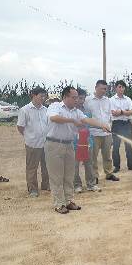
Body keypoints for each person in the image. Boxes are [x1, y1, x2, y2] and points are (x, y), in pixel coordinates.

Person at [45, 86, 110, 214]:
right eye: (73, 97)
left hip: (69, 145)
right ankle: (59, 204)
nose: (76, 100)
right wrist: (73, 121)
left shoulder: (77, 111)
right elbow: (54, 118)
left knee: (69, 175)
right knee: (56, 177)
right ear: (65, 97)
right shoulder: (55, 106)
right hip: (54, 144)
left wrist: (102, 125)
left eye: (77, 97)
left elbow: (87, 120)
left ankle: (69, 201)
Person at [17, 87, 50, 197]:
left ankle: (46, 185)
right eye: (41, 96)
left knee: (47, 166)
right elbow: (20, 126)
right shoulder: (25, 110)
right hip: (32, 144)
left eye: (44, 96)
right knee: (32, 167)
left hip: (45, 143)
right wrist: (29, 136)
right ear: (34, 95)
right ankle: (33, 189)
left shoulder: (45, 110)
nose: (43, 98)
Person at [84, 80, 119, 183]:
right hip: (93, 133)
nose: (104, 91)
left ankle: (109, 173)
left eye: (105, 89)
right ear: (96, 88)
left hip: (107, 133)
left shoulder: (107, 100)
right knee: (93, 157)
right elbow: (86, 117)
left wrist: (109, 127)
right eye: (102, 89)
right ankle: (94, 176)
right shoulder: (88, 100)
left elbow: (109, 115)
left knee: (107, 155)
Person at [73, 88, 100, 193]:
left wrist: (101, 126)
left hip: (87, 141)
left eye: (83, 98)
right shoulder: (70, 111)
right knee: (75, 165)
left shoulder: (87, 111)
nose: (81, 100)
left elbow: (91, 124)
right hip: (74, 142)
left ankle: (91, 184)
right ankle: (77, 185)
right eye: (80, 98)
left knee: (89, 163)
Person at [110, 80, 132, 173]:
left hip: (127, 124)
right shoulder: (111, 100)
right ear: (116, 88)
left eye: (123, 87)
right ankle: (116, 166)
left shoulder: (128, 99)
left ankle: (131, 165)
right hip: (116, 124)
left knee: (128, 145)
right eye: (119, 87)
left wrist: (121, 112)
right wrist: (125, 112)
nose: (121, 89)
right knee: (116, 146)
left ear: (125, 88)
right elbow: (113, 113)